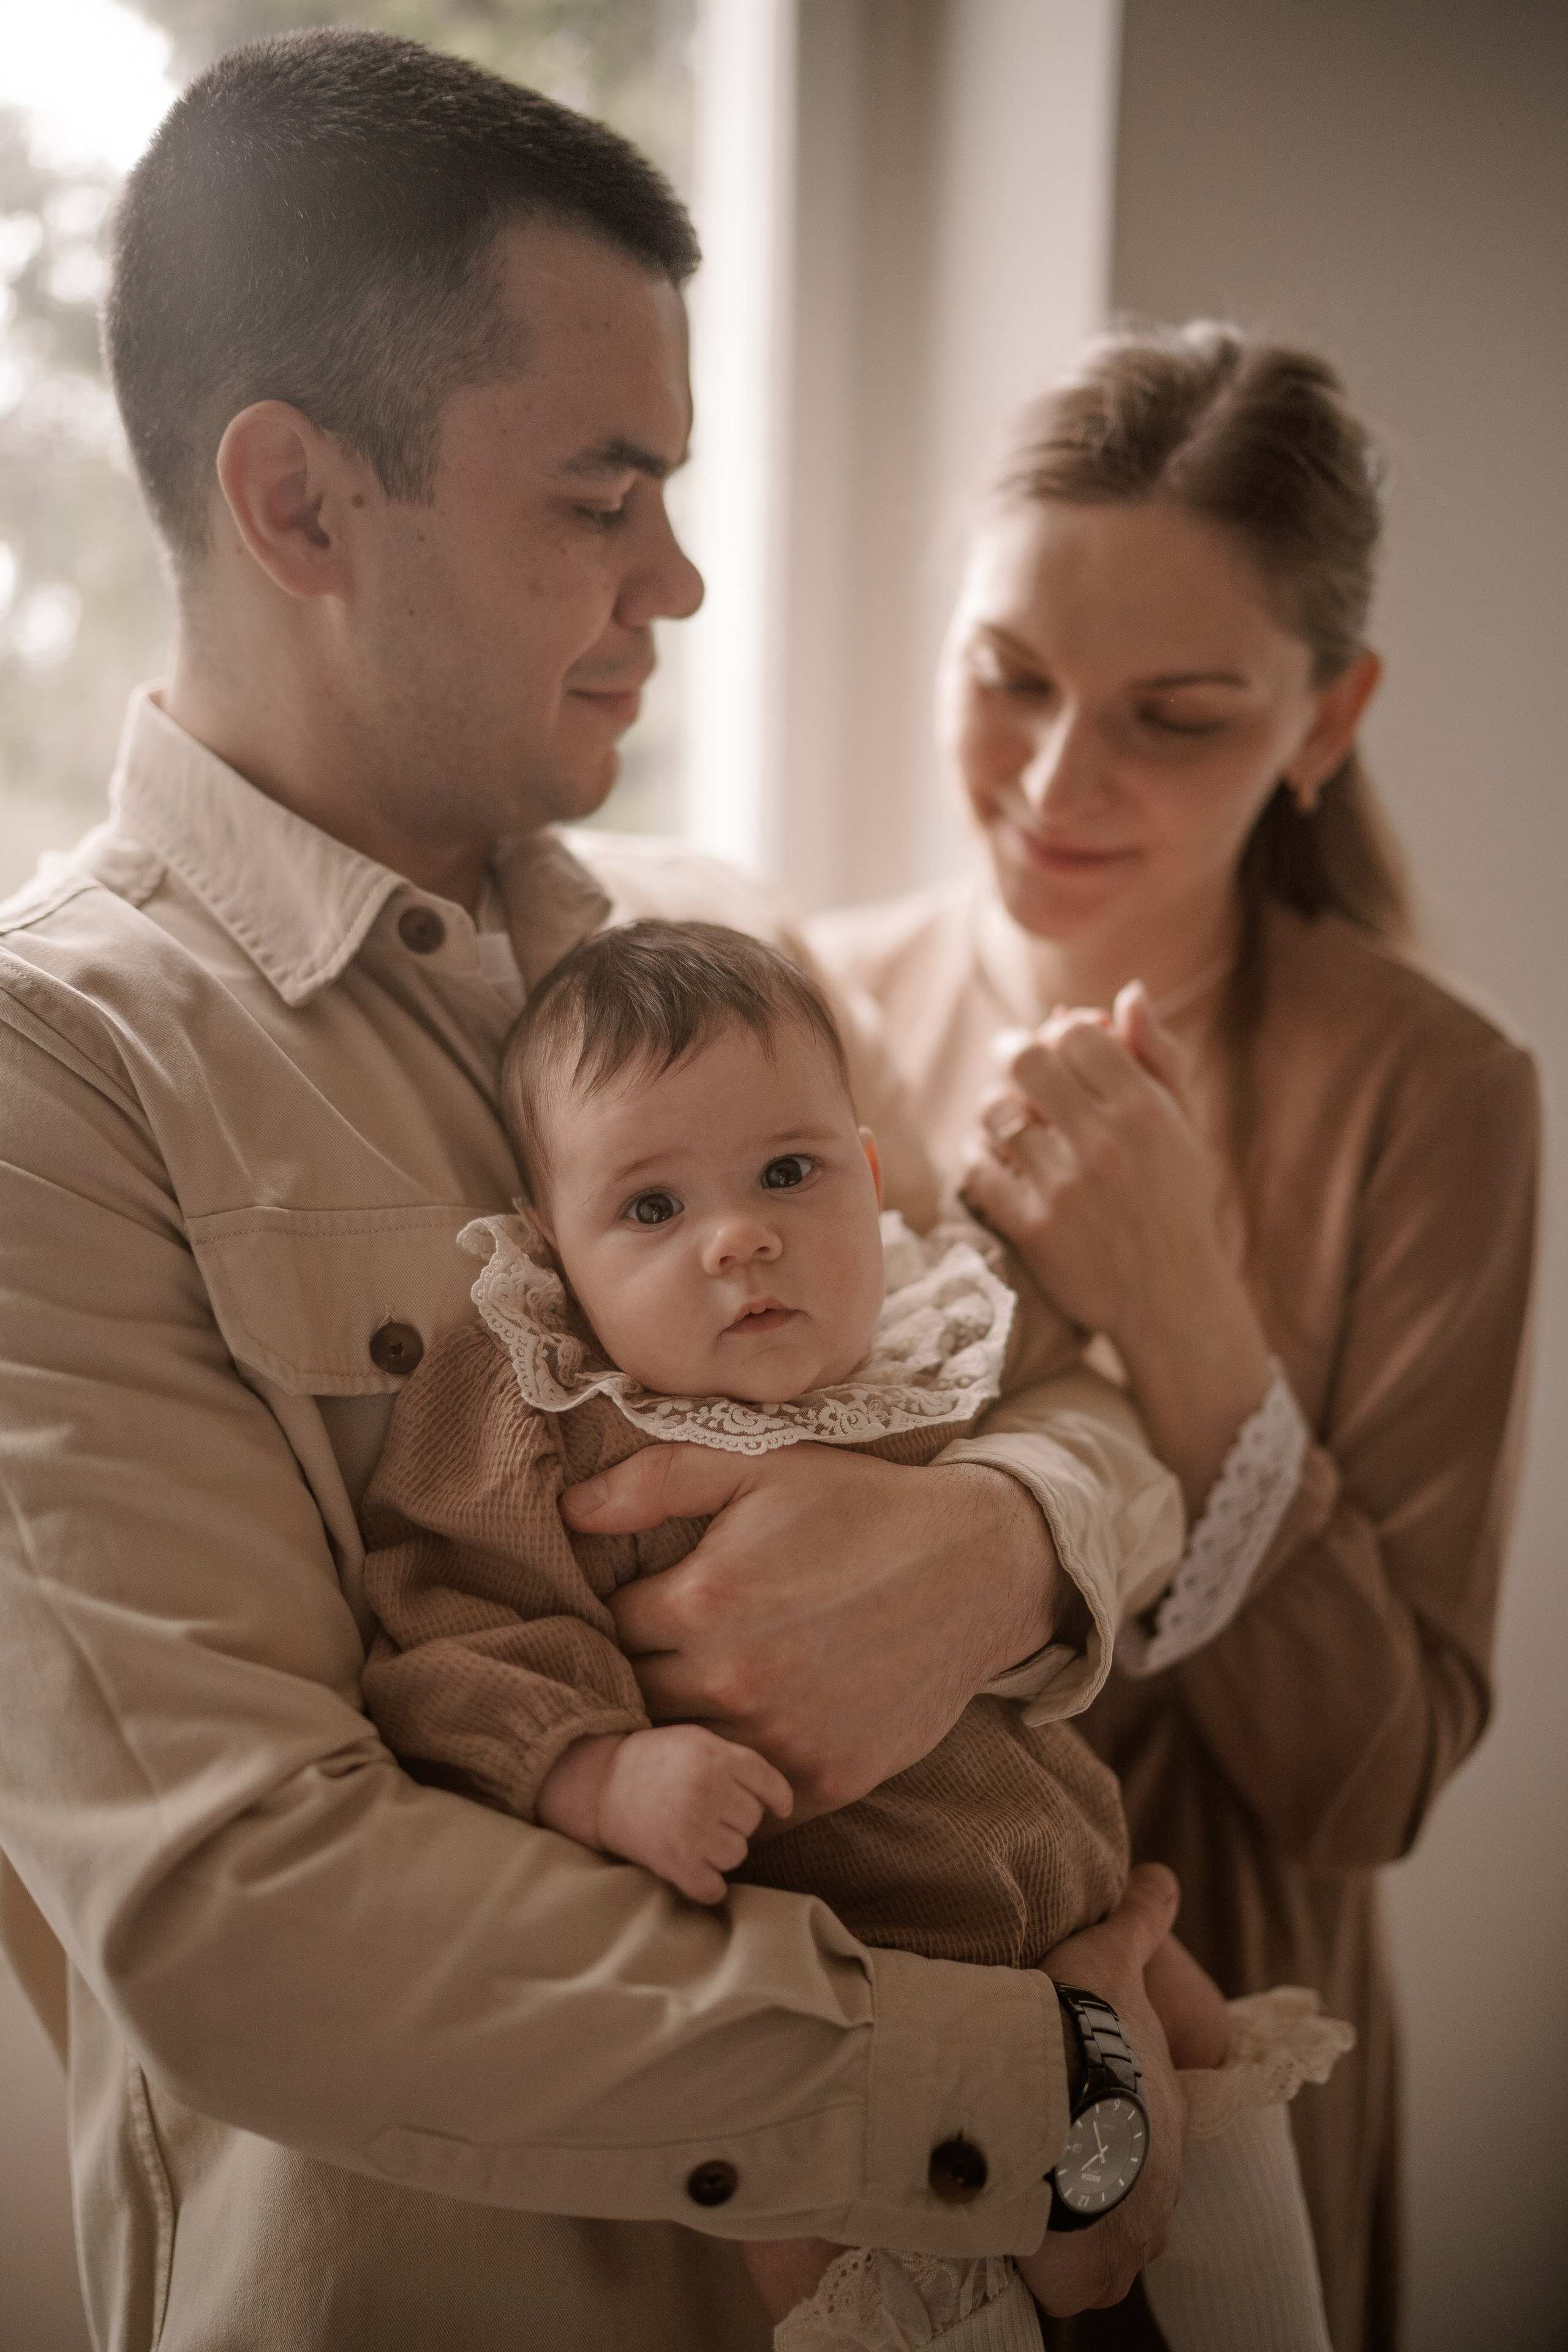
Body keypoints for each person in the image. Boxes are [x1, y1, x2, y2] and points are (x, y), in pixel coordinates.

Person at [0, 35, 1196, 2351]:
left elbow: (1072, 1398)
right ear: (300, 504)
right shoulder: (59, 1080)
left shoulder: (714, 940)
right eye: (602, 494)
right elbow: (244, 1910)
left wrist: (998, 1543)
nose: (683, 575)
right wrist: (1031, 2096)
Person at [809, 325, 1541, 2352]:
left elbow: (1368, 1786)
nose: (1058, 780)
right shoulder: (804, 1009)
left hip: (1218, 2112)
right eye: (1010, 677)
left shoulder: (1437, 1098)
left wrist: (1192, 1317)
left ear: (1327, 721)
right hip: (839, 2091)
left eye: (1176, 716)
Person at [358, 913, 1355, 2352]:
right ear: (553, 1250)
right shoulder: (547, 1419)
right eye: (652, 1207)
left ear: (870, 1179)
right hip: (851, 1986)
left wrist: (1102, 1216)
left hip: (1073, 1896)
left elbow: (1078, 1375)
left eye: (788, 1173)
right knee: (873, 2266)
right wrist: (594, 1771)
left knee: (1219, 2101)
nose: (741, 1236)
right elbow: (446, 1631)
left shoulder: (930, 1331)